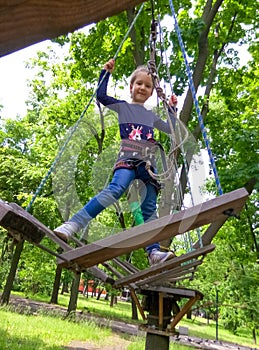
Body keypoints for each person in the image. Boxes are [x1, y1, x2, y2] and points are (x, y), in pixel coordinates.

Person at [54, 59, 178, 265]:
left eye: (148, 86)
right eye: (139, 83)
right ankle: (72, 224)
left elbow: (169, 129)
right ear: (131, 87)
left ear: (151, 92)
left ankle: (154, 253)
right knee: (115, 189)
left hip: (147, 164)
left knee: (149, 207)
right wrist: (105, 73)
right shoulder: (123, 107)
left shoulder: (151, 115)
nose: (143, 88)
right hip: (128, 159)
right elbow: (101, 96)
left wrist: (172, 110)